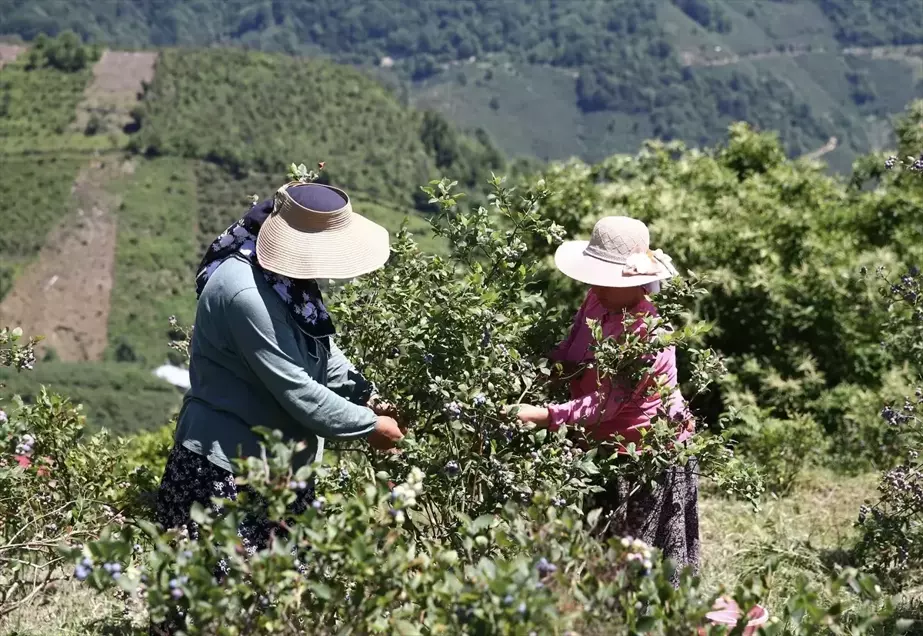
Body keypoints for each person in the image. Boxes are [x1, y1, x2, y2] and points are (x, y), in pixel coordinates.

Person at [155, 180, 403, 566]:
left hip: (278, 471)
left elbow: (322, 352)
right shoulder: (245, 293)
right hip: (225, 472)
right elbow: (298, 390)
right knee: (220, 607)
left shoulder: (287, 284)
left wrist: (369, 397)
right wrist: (371, 425)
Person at [512, 216, 700, 582]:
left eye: (606, 280)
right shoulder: (597, 301)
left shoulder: (646, 335)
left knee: (637, 565)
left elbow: (605, 405)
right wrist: (548, 368)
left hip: (644, 454)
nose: (595, 287)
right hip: (600, 443)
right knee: (600, 555)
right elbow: (572, 345)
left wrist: (541, 414)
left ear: (636, 283)